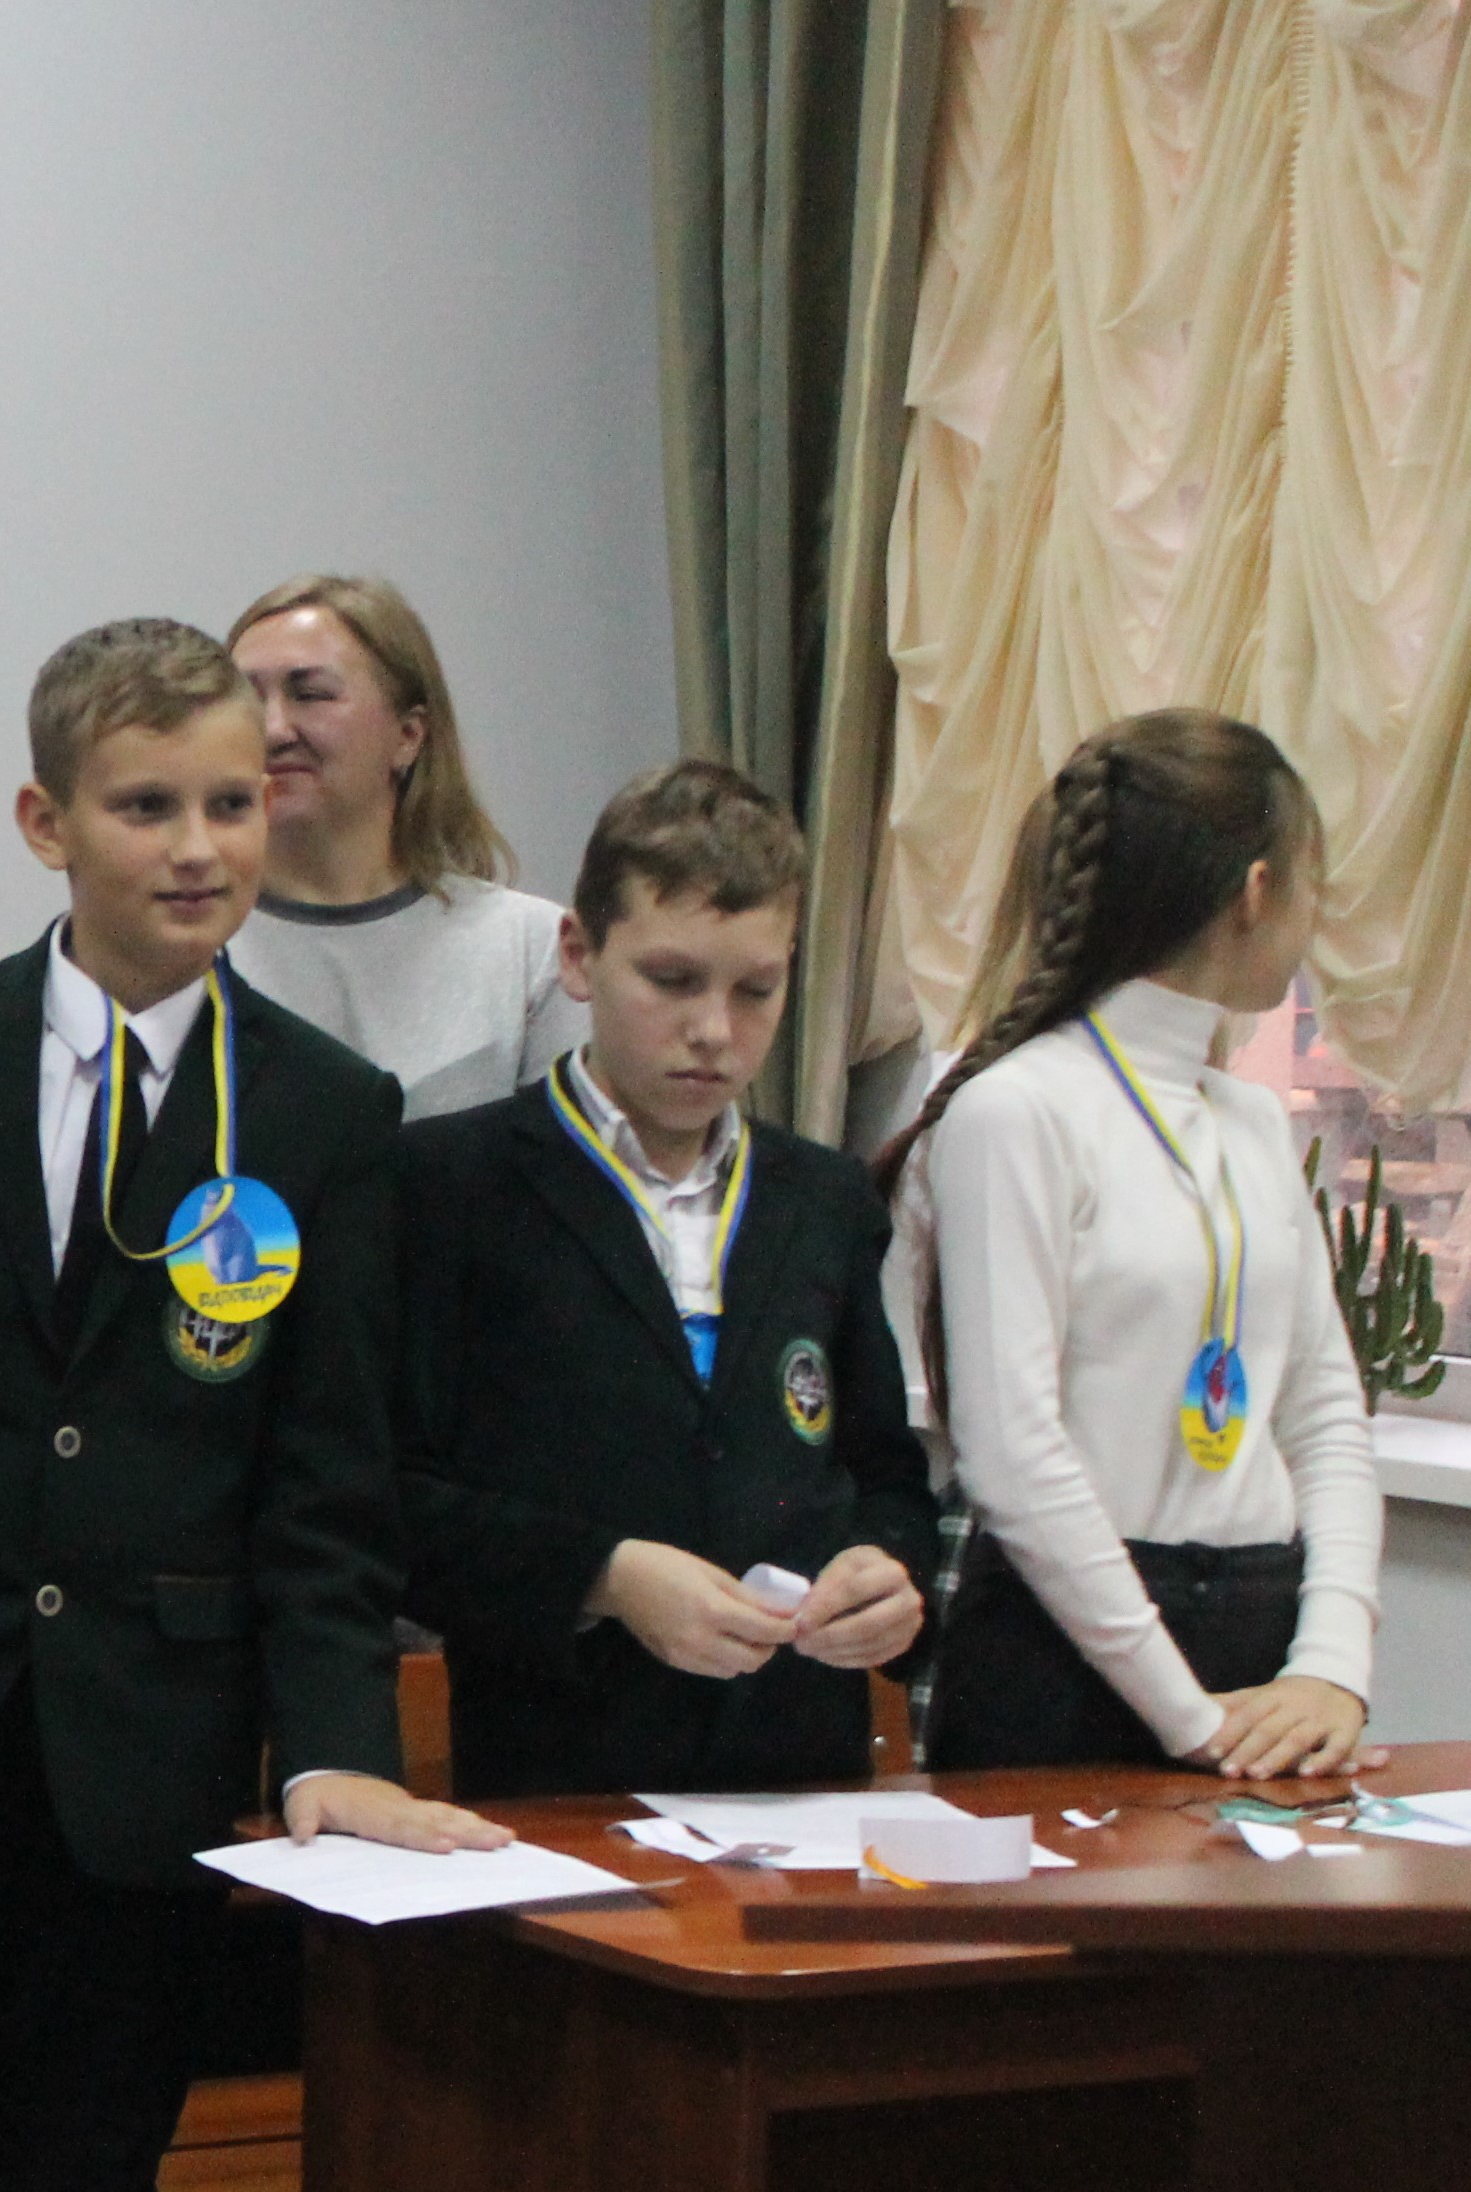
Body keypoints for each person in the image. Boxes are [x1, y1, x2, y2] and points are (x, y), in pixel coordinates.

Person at [0, 617, 503, 2191]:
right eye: (146, 808)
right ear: (45, 823)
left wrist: (335, 1745)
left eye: (231, 804)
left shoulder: (326, 1112)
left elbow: (330, 1481)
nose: (198, 849)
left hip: (146, 1754)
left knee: (88, 2155)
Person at [396, 761, 934, 1797]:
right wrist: (603, 1574)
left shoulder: (824, 1198)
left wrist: (888, 1571)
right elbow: (388, 1499)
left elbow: (883, 1474)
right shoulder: (449, 1184)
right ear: (579, 956)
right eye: (673, 980)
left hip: (802, 1779)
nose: (715, 1030)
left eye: (756, 990)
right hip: (558, 1779)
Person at [877, 709, 1382, 1777]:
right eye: (1313, 883)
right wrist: (1190, 1719)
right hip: (1066, 1650)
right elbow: (1012, 1456)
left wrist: (1331, 1665)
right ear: (1256, 892)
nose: (1315, 919)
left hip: (1257, 1628)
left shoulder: (1251, 1121)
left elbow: (1325, 1414)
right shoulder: (1017, 1110)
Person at [223, 575, 584, 1117]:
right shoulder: (185, 949)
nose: (273, 731)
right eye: (247, 702)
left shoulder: (531, 952)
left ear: (409, 735)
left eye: (312, 695)